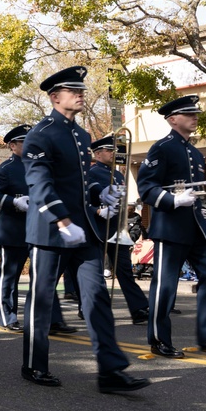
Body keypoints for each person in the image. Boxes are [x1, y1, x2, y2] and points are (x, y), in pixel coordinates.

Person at [21, 65, 150, 392]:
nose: (81, 94)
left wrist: (98, 193)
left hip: (84, 231)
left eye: (81, 89)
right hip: (51, 232)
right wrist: (62, 220)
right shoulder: (41, 134)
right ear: (55, 97)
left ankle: (110, 371)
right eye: (73, 90)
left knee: (96, 297)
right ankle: (34, 364)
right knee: (42, 300)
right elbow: (39, 183)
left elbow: (77, 183)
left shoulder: (81, 135)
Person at [136, 94, 206, 360]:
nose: (195, 117)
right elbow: (146, 187)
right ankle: (160, 340)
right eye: (189, 114)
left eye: (195, 113)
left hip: (196, 226)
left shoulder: (194, 152)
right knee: (165, 287)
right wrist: (173, 199)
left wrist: (196, 198)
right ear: (173, 119)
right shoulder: (162, 148)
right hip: (170, 228)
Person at [87, 136, 150, 325]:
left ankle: (138, 308)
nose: (113, 153)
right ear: (98, 154)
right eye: (108, 150)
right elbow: (86, 200)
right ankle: (90, 308)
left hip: (116, 228)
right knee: (95, 273)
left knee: (125, 271)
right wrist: (99, 210)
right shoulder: (92, 172)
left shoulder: (119, 174)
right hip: (98, 227)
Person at [0, 125, 32, 331]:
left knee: (41, 277)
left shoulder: (39, 165)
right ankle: (8, 317)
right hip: (14, 231)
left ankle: (41, 317)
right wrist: (13, 202)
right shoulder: (6, 169)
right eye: (24, 141)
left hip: (37, 231)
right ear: (13, 145)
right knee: (9, 277)